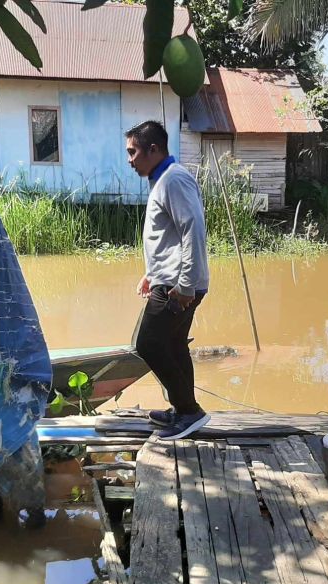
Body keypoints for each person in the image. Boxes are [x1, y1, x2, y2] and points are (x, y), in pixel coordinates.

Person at [125, 120, 210, 440]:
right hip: (169, 279)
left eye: (133, 152)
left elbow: (193, 231)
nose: (130, 160)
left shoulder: (173, 180)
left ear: (153, 149)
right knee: (173, 345)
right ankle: (183, 410)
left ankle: (189, 411)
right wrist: (151, 274)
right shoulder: (161, 180)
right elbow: (169, 235)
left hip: (178, 285)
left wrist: (185, 285)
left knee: (147, 344)